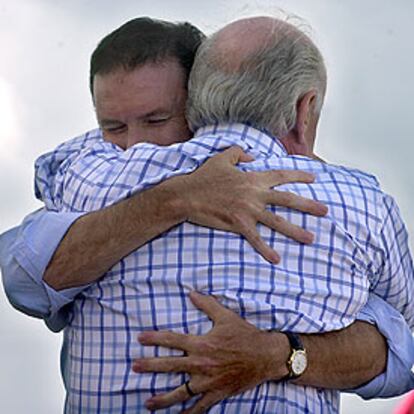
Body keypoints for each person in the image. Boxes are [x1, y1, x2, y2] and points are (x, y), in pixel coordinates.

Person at [1, 16, 413, 413]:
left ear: (197, 104)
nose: (135, 147)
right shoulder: (357, 202)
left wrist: (277, 354)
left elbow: (395, 341)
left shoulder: (87, 176)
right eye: (112, 128)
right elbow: (24, 278)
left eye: (157, 119)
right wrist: (175, 197)